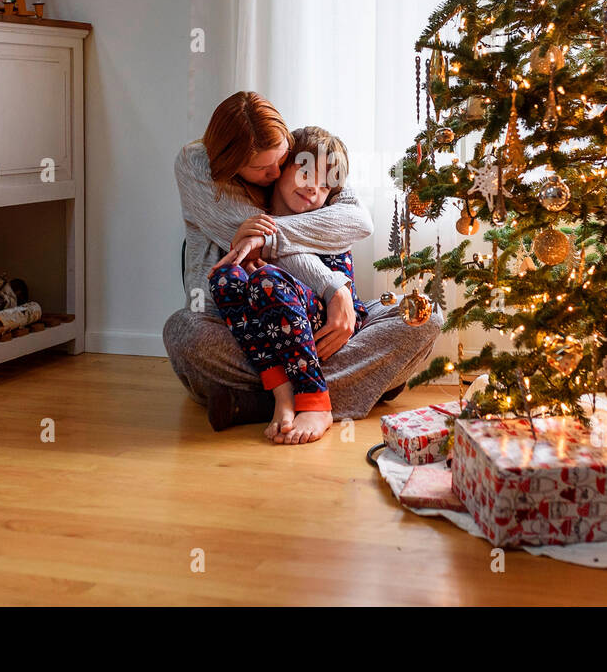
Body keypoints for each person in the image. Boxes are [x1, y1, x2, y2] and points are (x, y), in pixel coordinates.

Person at [163, 91, 442, 431]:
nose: (276, 170)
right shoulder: (199, 168)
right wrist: (332, 286)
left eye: (282, 159)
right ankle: (342, 387)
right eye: (262, 168)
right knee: (184, 332)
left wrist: (334, 290)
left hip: (321, 327)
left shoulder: (308, 155)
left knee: (423, 314)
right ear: (232, 162)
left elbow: (358, 220)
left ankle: (255, 403)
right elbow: (259, 246)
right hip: (242, 330)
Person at [209, 126, 369, 444]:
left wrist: (270, 261)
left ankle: (315, 399)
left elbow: (342, 299)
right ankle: (282, 393)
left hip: (327, 321)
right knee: (223, 277)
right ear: (282, 166)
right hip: (268, 322)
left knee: (267, 279)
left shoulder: (326, 222)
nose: (314, 190)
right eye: (306, 173)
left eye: (325, 186)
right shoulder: (252, 213)